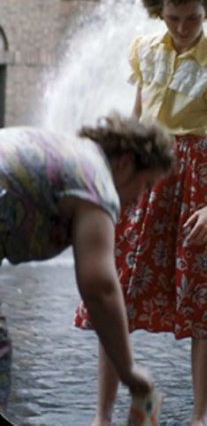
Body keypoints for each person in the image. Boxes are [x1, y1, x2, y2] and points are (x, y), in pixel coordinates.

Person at [74, 0, 207, 426]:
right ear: (160, 13)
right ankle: (102, 415)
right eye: (173, 18)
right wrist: (113, 175)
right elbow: (135, 116)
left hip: (196, 174)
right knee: (119, 289)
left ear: (206, 12)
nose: (183, 28)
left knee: (203, 293)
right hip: (149, 167)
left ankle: (201, 417)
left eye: (192, 19)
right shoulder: (145, 50)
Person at [0, 113, 173, 416]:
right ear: (125, 163)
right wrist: (129, 372)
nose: (141, 200)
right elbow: (100, 287)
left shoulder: (75, 156)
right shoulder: (97, 181)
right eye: (146, 185)